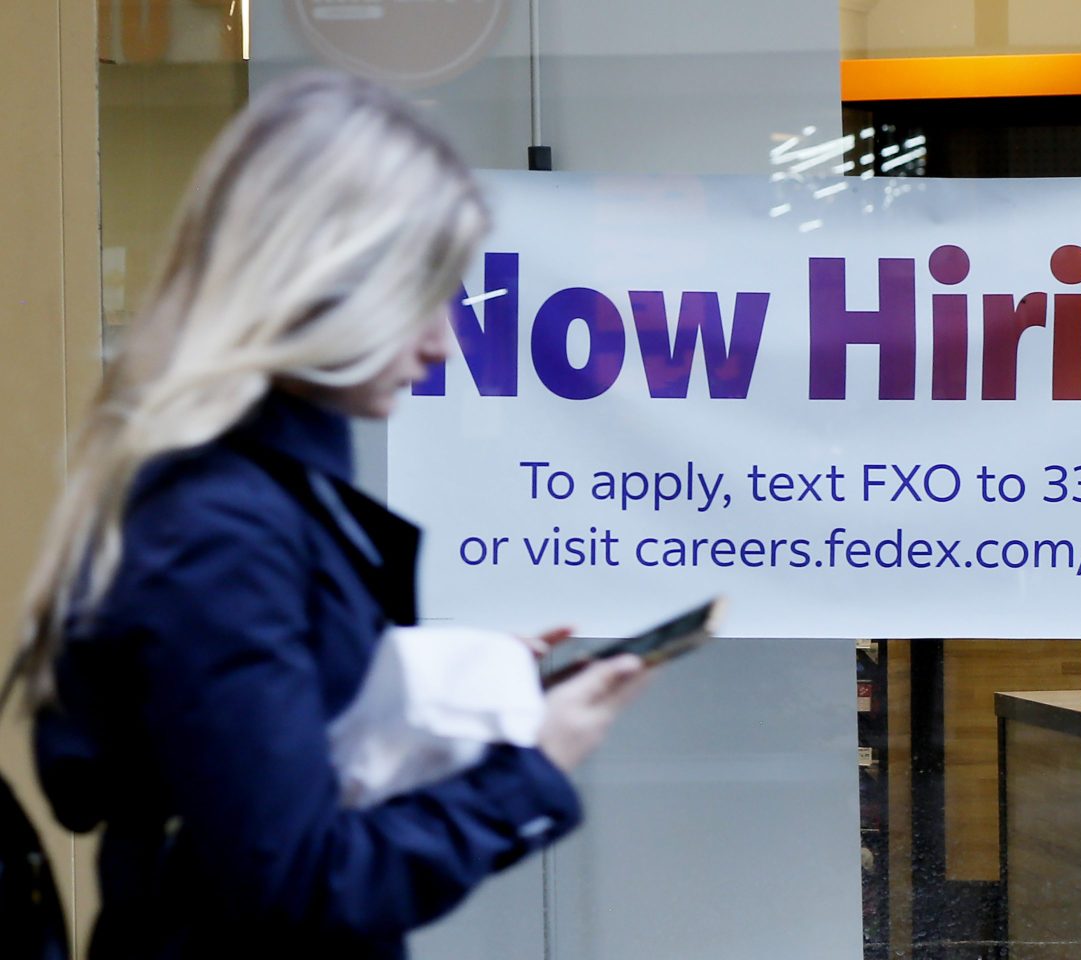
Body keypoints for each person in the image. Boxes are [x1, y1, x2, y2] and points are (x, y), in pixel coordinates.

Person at [18, 70, 648, 959]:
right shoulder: (224, 530)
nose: (442, 344)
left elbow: (264, 774)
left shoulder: (241, 497)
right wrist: (531, 769)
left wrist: (425, 689)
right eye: (421, 299)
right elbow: (302, 884)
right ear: (319, 281)